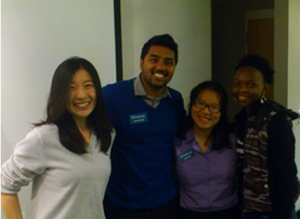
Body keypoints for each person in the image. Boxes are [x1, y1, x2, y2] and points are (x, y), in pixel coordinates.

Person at [1, 57, 114, 219]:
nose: (81, 95)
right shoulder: (44, 136)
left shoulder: (106, 135)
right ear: (60, 93)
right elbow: (5, 186)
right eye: (71, 88)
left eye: (88, 86)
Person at [102, 34, 186, 219]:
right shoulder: (112, 96)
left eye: (168, 62)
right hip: (121, 204)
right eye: (154, 60)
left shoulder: (175, 100)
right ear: (141, 62)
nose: (160, 67)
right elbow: (81, 113)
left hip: (165, 202)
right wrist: (51, 126)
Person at [231, 54, 299, 219]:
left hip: (273, 211)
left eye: (251, 84)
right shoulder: (240, 119)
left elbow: (286, 177)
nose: (242, 90)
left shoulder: (275, 121)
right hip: (248, 208)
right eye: (237, 84)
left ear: (265, 88)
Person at [175, 81, 239, 219]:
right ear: (191, 105)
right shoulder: (177, 141)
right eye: (200, 103)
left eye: (214, 107)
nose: (205, 111)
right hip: (187, 213)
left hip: (227, 213)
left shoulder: (233, 141)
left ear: (222, 112)